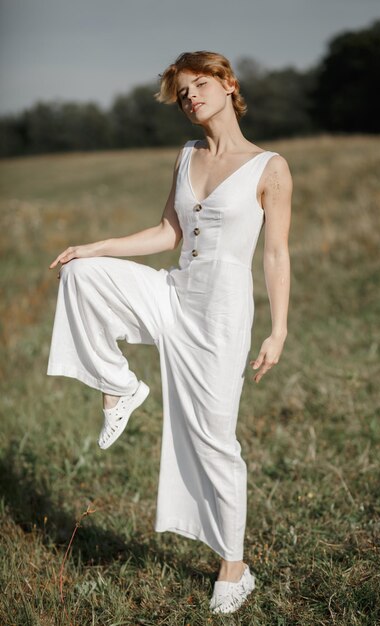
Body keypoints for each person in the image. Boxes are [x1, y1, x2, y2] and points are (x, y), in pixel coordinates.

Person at [47, 50, 292, 614]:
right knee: (82, 275)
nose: (191, 98)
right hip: (175, 294)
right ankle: (120, 385)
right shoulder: (186, 156)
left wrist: (278, 329)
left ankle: (235, 566)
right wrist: (94, 246)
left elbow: (276, 253)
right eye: (182, 92)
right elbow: (167, 231)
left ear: (228, 86)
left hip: (222, 316)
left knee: (214, 439)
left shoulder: (270, 167)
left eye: (200, 85)